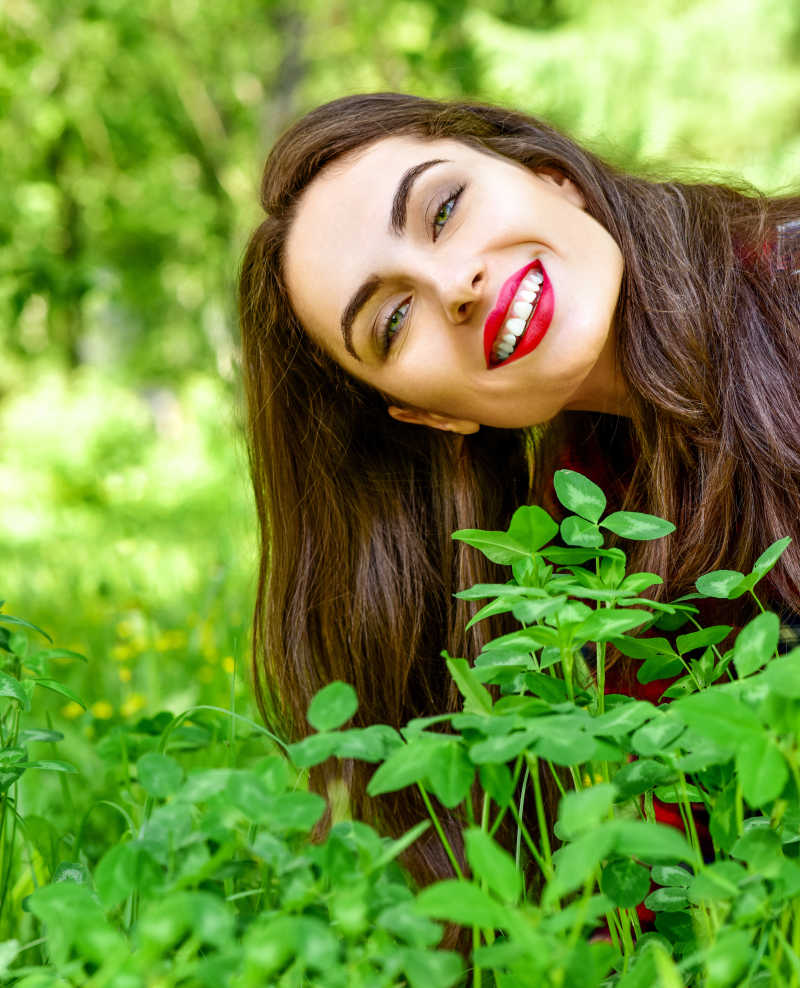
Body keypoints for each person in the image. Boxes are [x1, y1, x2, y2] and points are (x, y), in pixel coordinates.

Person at [238, 92, 800, 888]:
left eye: (445, 209)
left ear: (550, 174)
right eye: (393, 322)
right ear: (429, 414)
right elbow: (657, 886)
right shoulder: (577, 566)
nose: (454, 283)